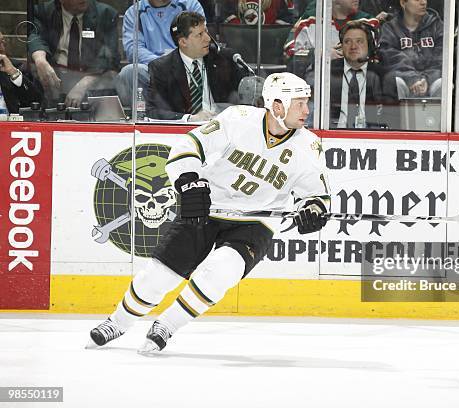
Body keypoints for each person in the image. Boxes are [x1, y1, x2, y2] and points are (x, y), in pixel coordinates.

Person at [88, 72, 331, 353]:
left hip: (256, 221)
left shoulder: (309, 146)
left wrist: (313, 211)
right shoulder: (238, 119)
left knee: (222, 271)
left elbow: (316, 195)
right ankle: (117, 322)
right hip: (209, 206)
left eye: (306, 103)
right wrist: (189, 182)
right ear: (278, 105)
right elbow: (188, 146)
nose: (306, 111)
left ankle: (166, 325)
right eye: (299, 103)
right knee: (159, 275)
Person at [146, 11, 244, 121]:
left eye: (206, 31)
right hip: (184, 132)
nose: (208, 38)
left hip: (223, 126)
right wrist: (189, 118)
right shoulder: (162, 68)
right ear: (183, 42)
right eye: (200, 35)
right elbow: (152, 111)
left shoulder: (223, 59)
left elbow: (244, 96)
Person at [28, 0, 120, 108]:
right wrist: (40, 60)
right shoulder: (44, 11)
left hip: (92, 79)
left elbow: (110, 57)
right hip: (55, 80)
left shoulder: (106, 14)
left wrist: (84, 84)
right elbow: (35, 36)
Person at [116, 0, 205, 107]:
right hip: (151, 69)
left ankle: (186, 115)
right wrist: (162, 65)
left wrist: (174, 62)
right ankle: (148, 117)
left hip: (184, 66)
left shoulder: (190, 5)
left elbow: (199, 41)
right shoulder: (134, 12)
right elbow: (134, 50)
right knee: (130, 72)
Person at [379, 0, 444, 99]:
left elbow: (442, 58)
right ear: (403, 3)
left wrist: (426, 79)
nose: (423, 2)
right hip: (405, 79)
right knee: (394, 81)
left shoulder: (437, 25)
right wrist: (413, 78)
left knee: (442, 83)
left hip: (432, 80)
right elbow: (390, 58)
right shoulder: (390, 28)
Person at [283, 0, 379, 64]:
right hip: (317, 83)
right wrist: (319, 54)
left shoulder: (369, 22)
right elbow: (290, 52)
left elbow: (378, 56)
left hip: (360, 80)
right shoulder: (309, 21)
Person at [329, 21, 386, 128]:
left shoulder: (382, 75)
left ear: (369, 45)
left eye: (359, 41)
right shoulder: (328, 72)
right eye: (347, 42)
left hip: (372, 137)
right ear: (341, 46)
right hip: (333, 135)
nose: (353, 47)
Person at [0, 32, 44, 113]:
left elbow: (37, 102)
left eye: (2, 41)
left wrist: (14, 73)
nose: (2, 46)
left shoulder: (16, 67)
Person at [223, 0, 295, 25]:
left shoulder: (277, 1)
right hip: (240, 48)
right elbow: (226, 18)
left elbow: (285, 20)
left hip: (268, 49)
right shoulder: (232, 1)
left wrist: (270, 34)